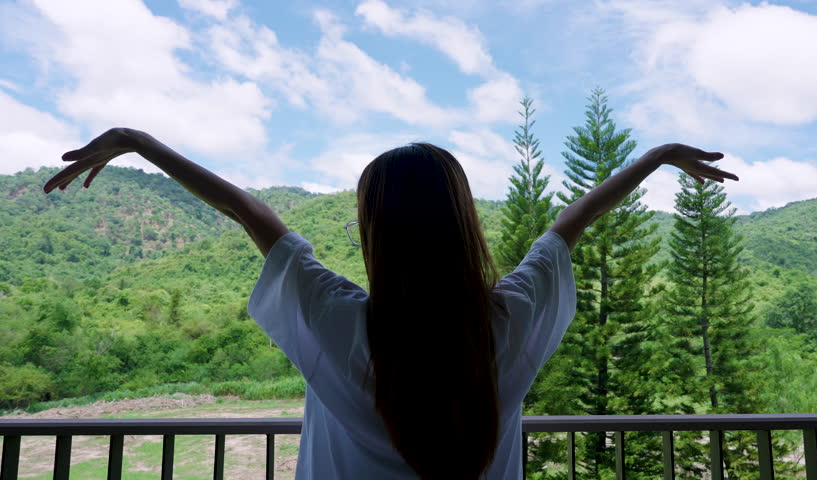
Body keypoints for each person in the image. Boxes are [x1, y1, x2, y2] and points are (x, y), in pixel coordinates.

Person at [43, 127, 737, 479]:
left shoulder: (339, 319)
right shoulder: (509, 322)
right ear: (463, 222)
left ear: (375, 231)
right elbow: (567, 227)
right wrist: (653, 160)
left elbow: (249, 213)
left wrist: (138, 142)